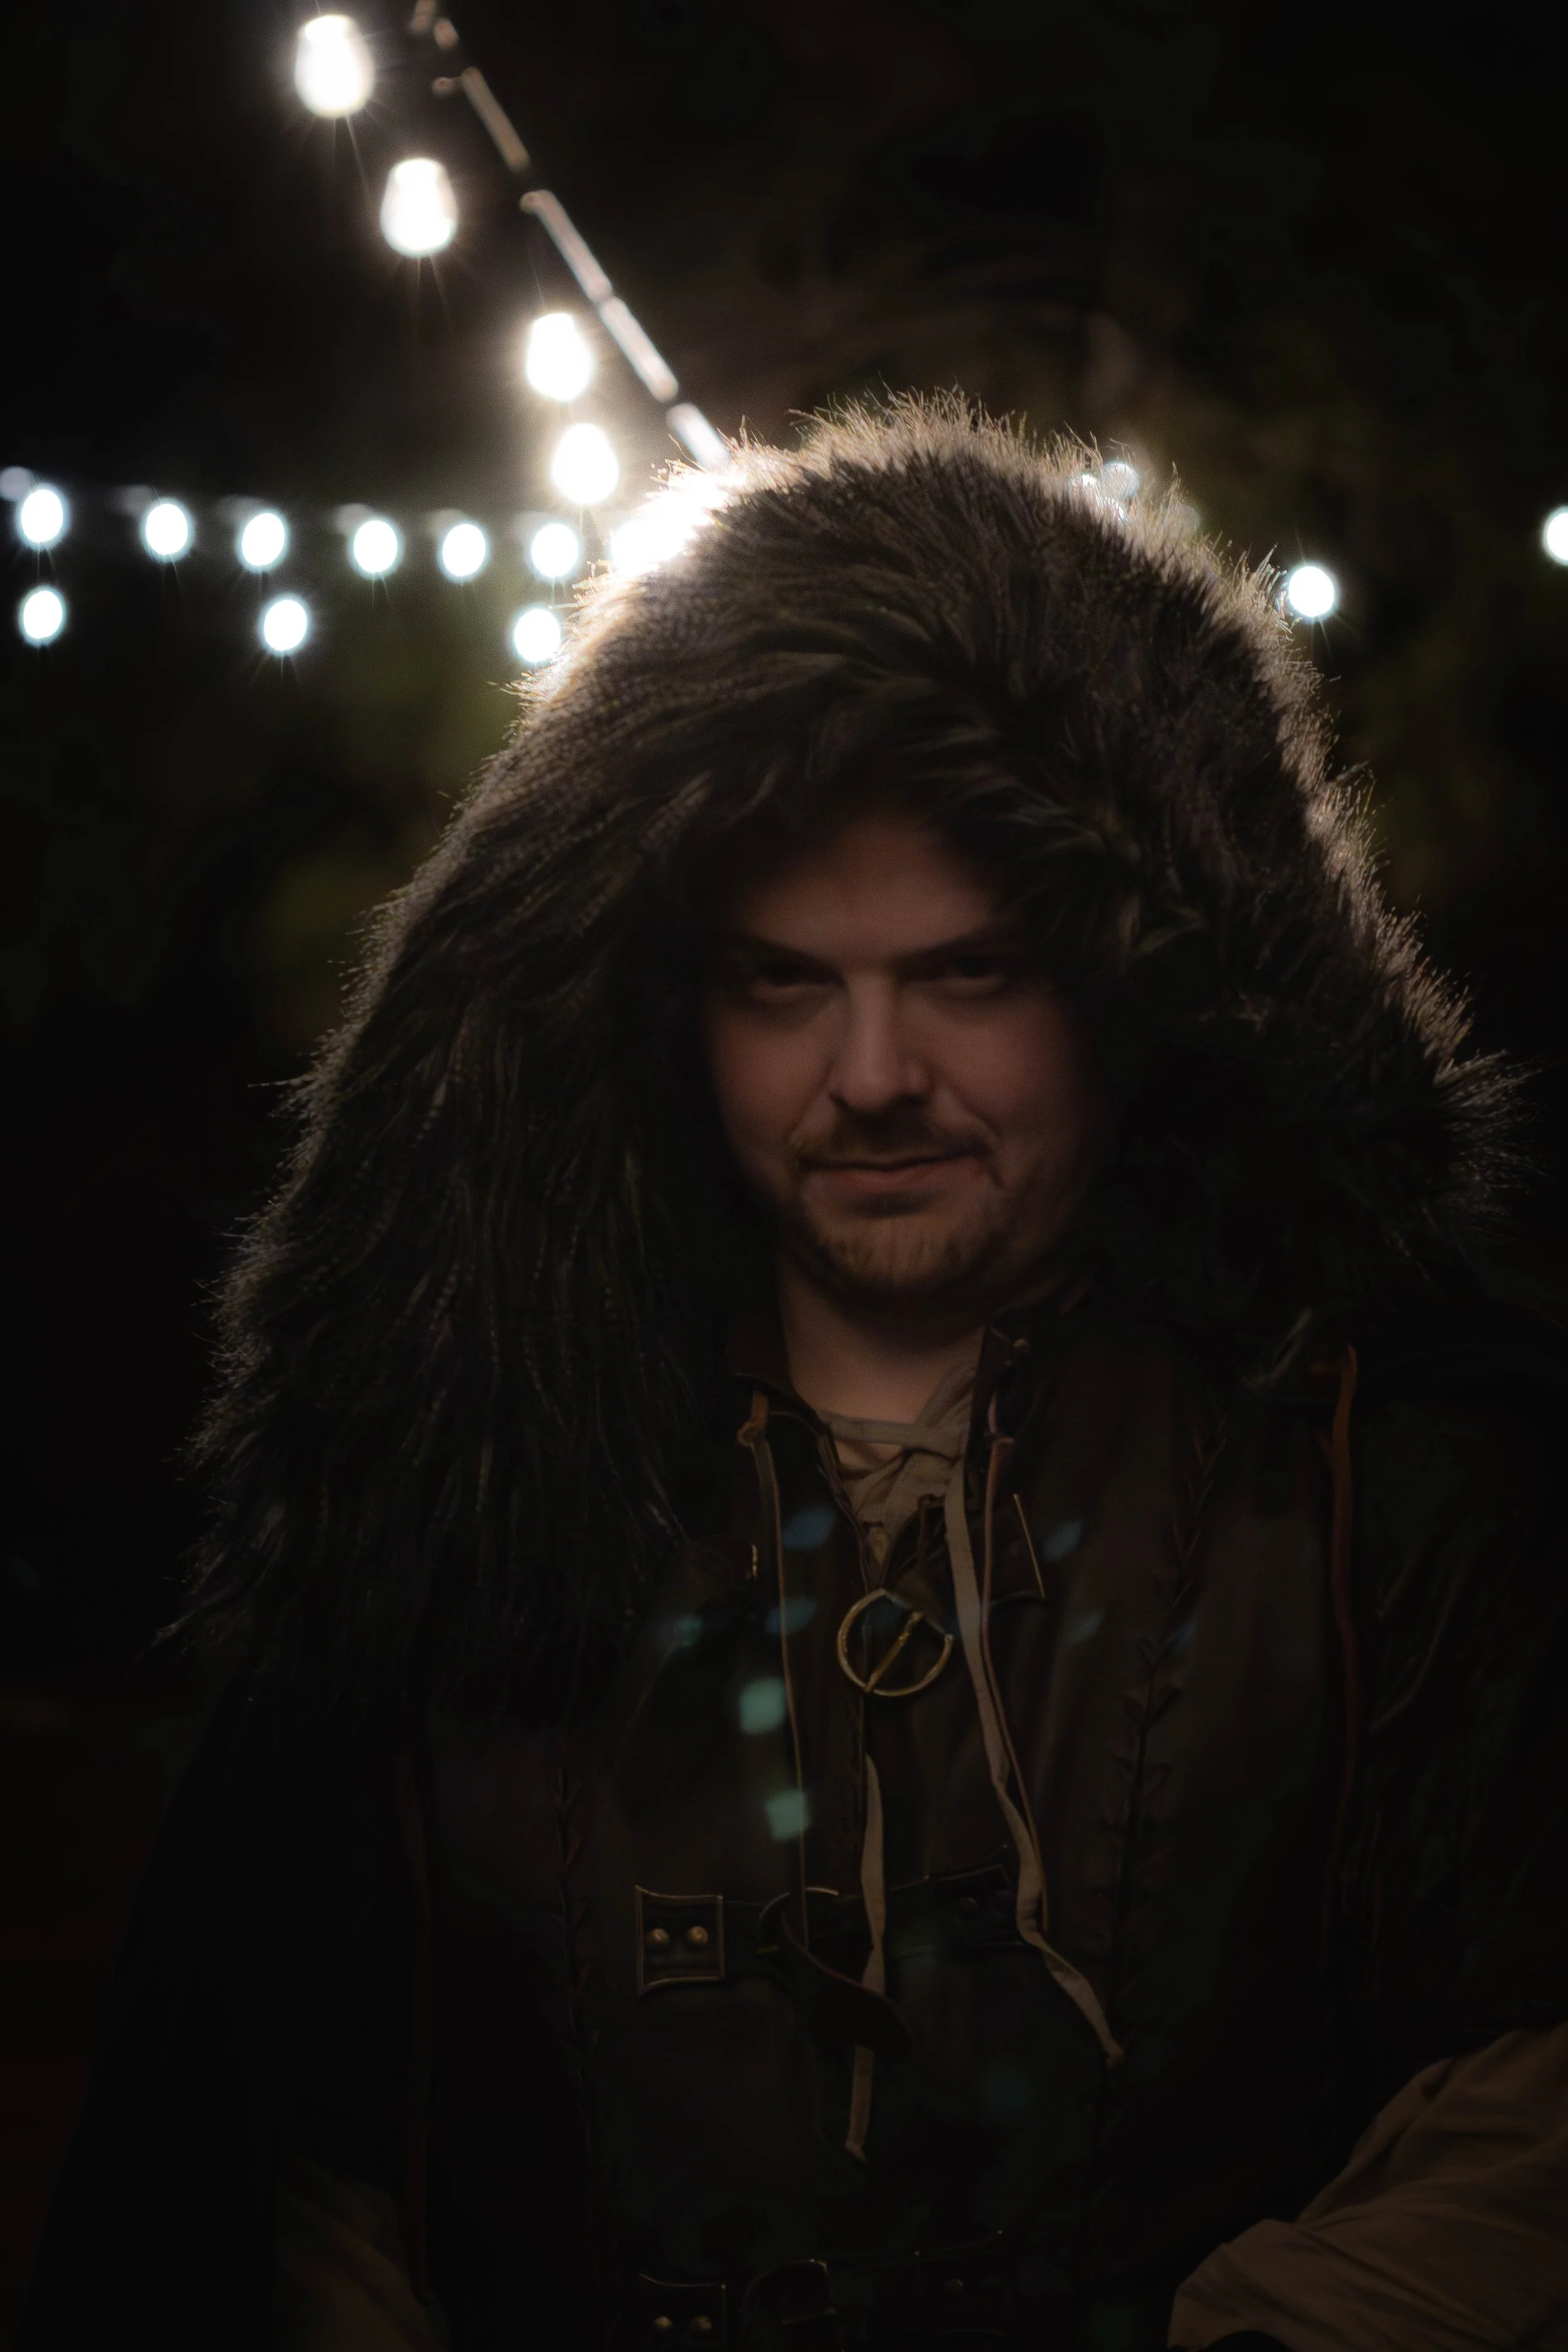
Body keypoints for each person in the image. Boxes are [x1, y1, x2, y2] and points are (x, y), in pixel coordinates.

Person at [20, 400, 1568, 2352]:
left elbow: (1528, 2105)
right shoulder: (445, 1496)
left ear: (1121, 980)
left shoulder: (1372, 1480)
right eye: (785, 982)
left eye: (964, 972)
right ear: (670, 1005)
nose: (870, 1075)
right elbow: (294, 2182)